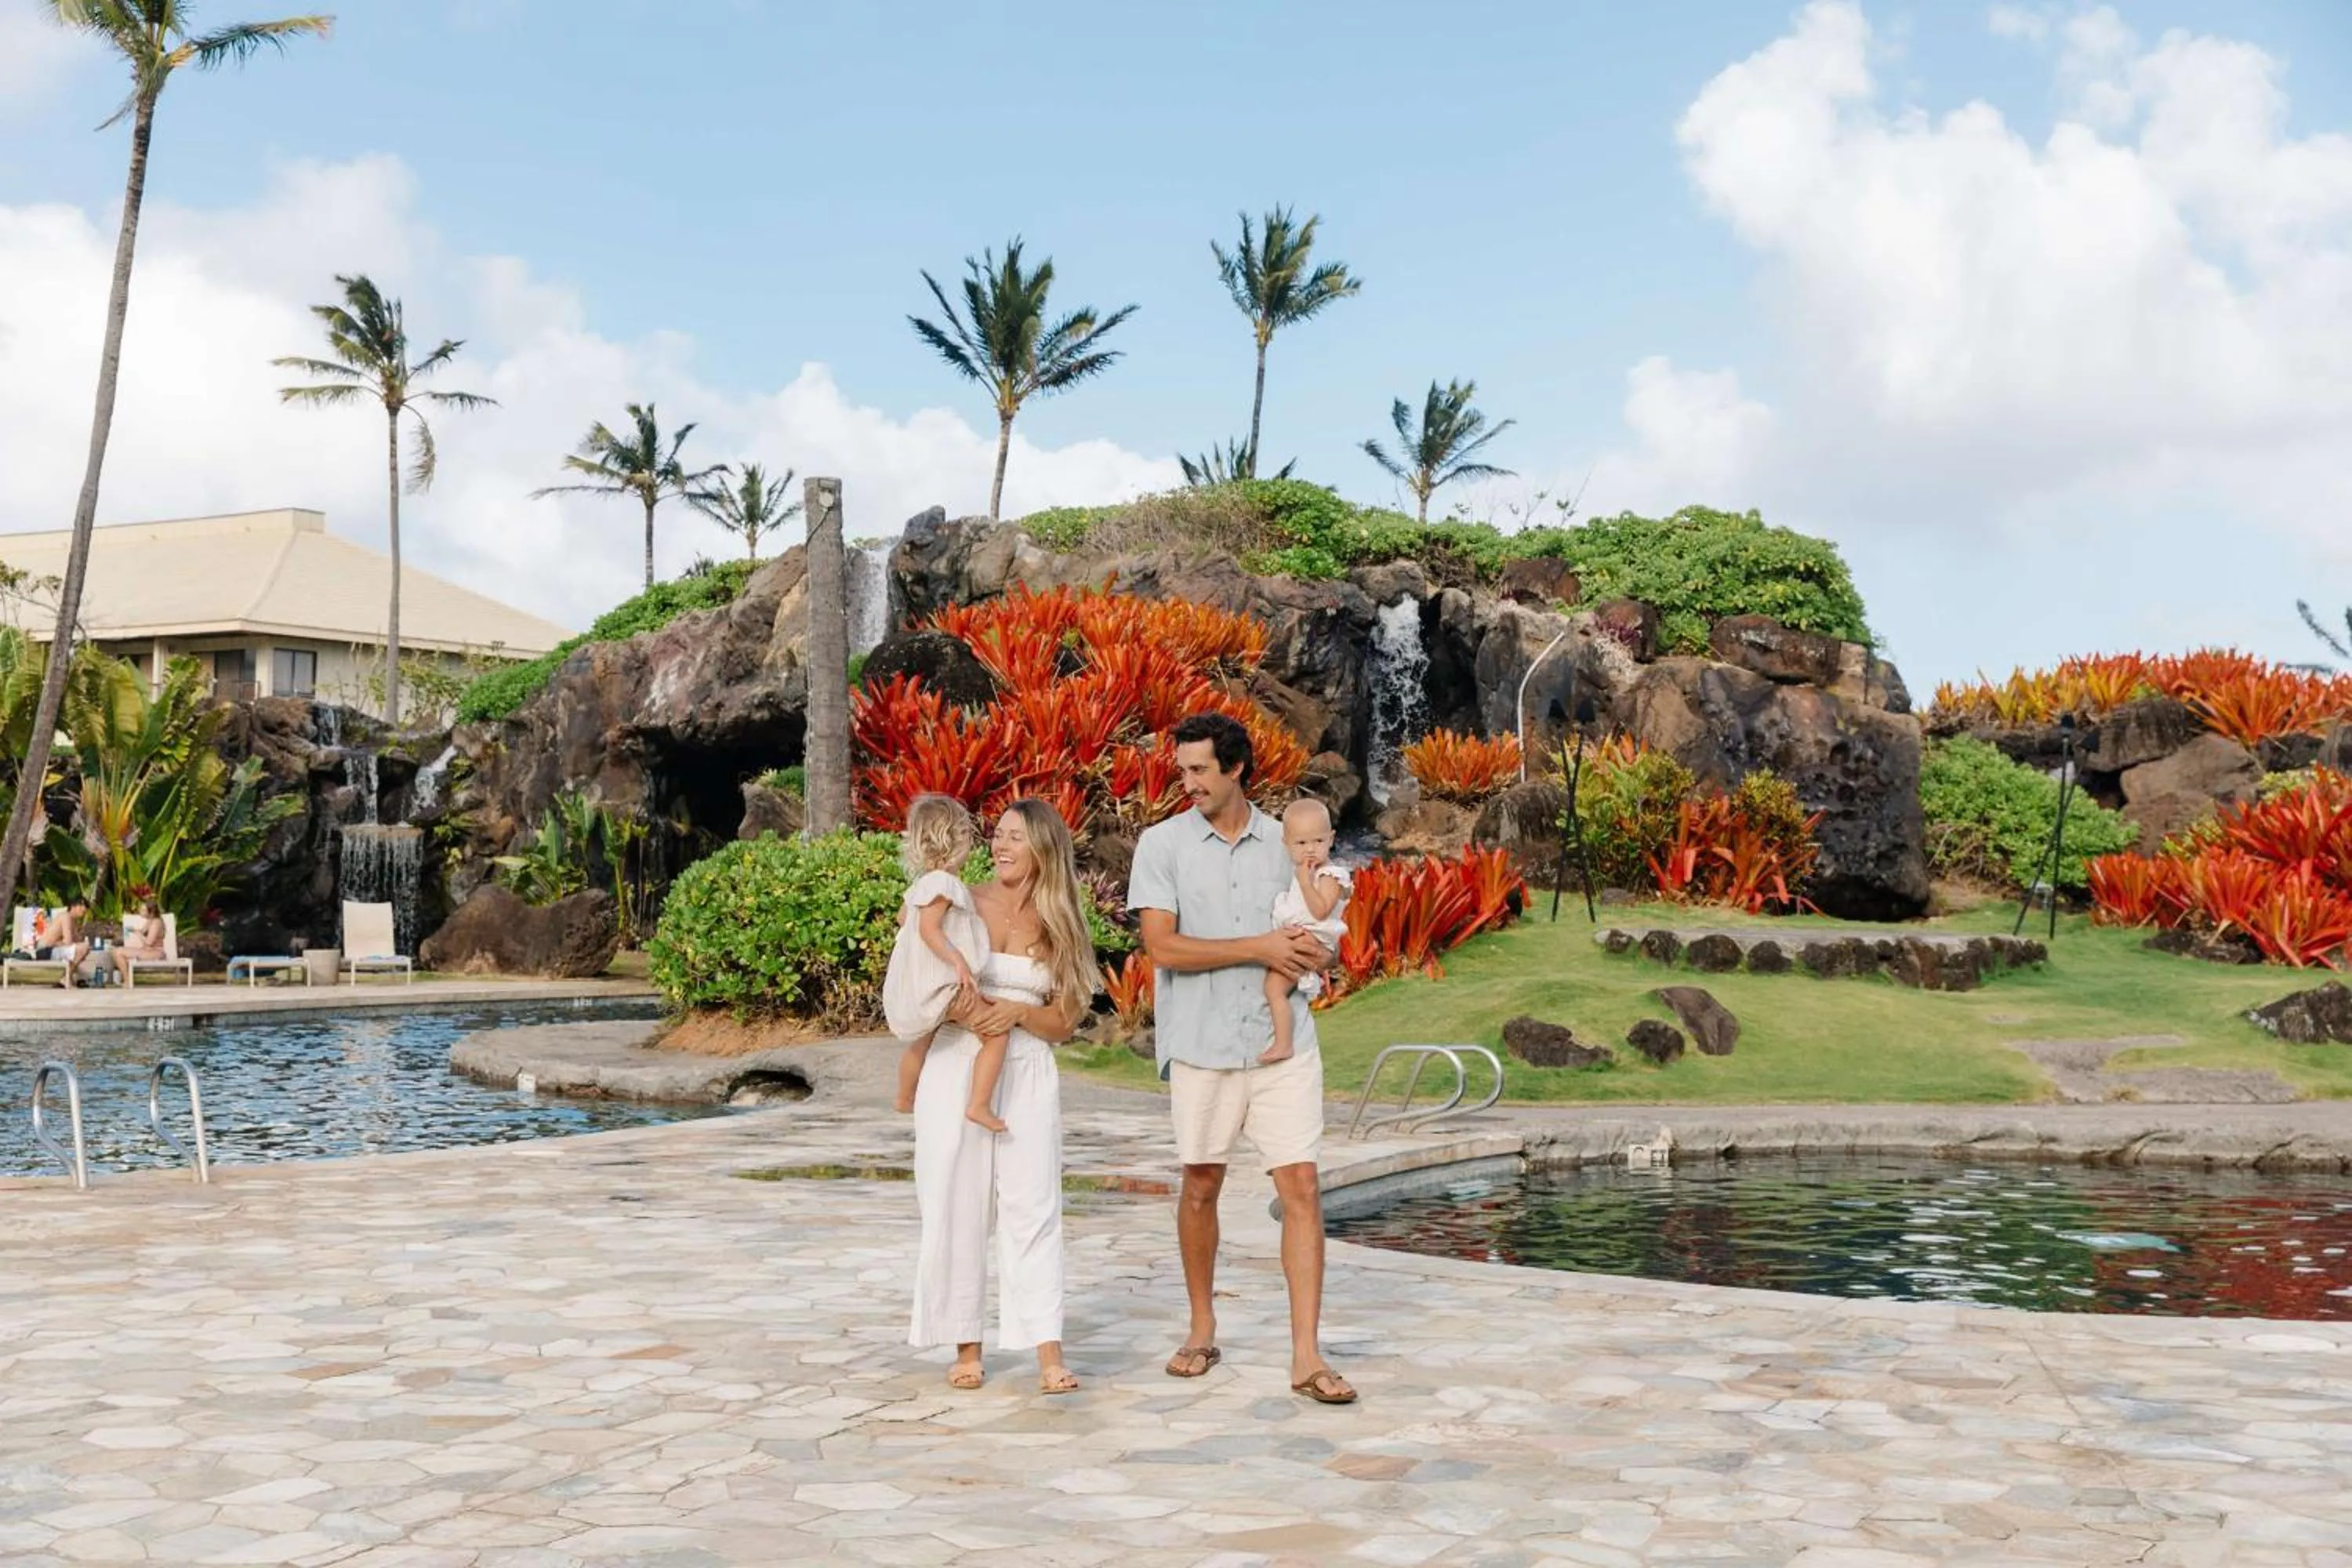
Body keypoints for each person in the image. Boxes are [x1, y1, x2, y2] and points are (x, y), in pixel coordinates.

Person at [1127, 712, 1357, 1405]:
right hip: (1201, 1046)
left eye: (1199, 769)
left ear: (1236, 770)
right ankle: (1201, 1329)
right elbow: (1161, 948)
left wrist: (1317, 951)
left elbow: (1323, 938)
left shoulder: (1286, 843)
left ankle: (1307, 1355)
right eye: (1183, 769)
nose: (1186, 781)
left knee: (1303, 1191)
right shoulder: (1161, 844)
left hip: (1280, 1045)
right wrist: (1260, 947)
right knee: (1201, 1185)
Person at [902, 798, 1098, 1396]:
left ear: (1043, 847)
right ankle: (966, 1344)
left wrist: (1018, 1014)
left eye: (1016, 837)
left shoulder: (1062, 918)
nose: (1001, 846)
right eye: (999, 836)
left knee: (1033, 1206)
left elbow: (1065, 1020)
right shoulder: (961, 900)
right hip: (957, 1060)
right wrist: (973, 1012)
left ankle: (1047, 1350)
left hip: (1029, 1070)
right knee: (956, 1204)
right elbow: (919, 973)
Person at [883, 795, 1012, 1130]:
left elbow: (904, 922)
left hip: (927, 987)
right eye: (969, 837)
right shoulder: (945, 884)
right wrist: (958, 961)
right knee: (996, 1034)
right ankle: (979, 1105)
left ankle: (903, 1096)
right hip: (947, 986)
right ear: (955, 840)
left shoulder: (920, 887)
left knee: (923, 1040)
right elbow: (928, 929)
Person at [1258, 798, 1349, 1065]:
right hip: (1302, 932)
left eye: (1318, 842)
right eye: (1301, 843)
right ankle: (1281, 1040)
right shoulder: (1304, 872)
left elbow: (1321, 911)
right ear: (1286, 843)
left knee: (1274, 988)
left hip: (1315, 936)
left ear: (1331, 839)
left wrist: (1304, 882)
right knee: (1272, 987)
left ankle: (1283, 1044)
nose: (1310, 850)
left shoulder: (1330, 875)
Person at [106, 898, 169, 988]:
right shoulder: (150, 921)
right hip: (147, 951)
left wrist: (137, 933)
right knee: (116, 952)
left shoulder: (156, 922)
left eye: (143, 910)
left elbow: (148, 942)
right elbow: (142, 932)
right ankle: (127, 980)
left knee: (119, 953)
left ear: (151, 912)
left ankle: (127, 981)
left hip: (156, 953)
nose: (140, 911)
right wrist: (133, 930)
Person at [34, 902, 92, 989]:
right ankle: (65, 977)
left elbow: (77, 941)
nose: (83, 912)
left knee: (84, 948)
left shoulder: (73, 921)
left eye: (84, 911)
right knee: (84, 948)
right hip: (45, 951)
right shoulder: (66, 917)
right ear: (73, 906)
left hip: (51, 950)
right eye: (81, 908)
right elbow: (68, 943)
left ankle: (65, 978)